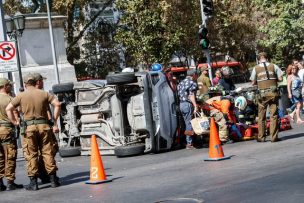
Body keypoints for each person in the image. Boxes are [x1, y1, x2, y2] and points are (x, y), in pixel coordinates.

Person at [6, 73, 61, 190]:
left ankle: (33, 182)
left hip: (29, 129)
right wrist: (54, 120)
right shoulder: (44, 93)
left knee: (31, 154)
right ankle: (53, 180)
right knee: (47, 152)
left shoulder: (21, 96)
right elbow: (57, 104)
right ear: (34, 82)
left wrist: (16, 122)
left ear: (25, 84)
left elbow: (8, 109)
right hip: (44, 126)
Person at [32, 73, 59, 184]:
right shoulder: (43, 94)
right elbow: (52, 108)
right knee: (49, 151)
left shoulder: (25, 94)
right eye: (42, 81)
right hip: (44, 127)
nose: (43, 83)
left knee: (37, 153)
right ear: (38, 82)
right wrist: (54, 123)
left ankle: (44, 175)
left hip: (31, 128)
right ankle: (48, 175)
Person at [250, 52, 283, 142]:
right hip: (273, 94)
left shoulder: (255, 68)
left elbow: (253, 82)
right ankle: (274, 137)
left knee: (261, 116)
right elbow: (280, 79)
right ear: (267, 58)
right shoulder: (274, 66)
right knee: (274, 115)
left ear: (258, 59)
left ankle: (261, 137)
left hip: (262, 95)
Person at [0, 78, 23, 191]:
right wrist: (16, 122)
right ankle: (10, 182)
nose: (10, 87)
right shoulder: (10, 99)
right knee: (10, 155)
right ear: (5, 86)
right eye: (9, 85)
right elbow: (15, 113)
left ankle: (0, 183)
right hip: (6, 129)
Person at [177, 70, 198, 149]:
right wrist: (195, 105)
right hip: (187, 104)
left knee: (184, 124)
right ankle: (189, 143)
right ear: (193, 75)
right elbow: (191, 95)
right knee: (189, 123)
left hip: (181, 104)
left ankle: (184, 141)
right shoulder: (192, 83)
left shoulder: (180, 83)